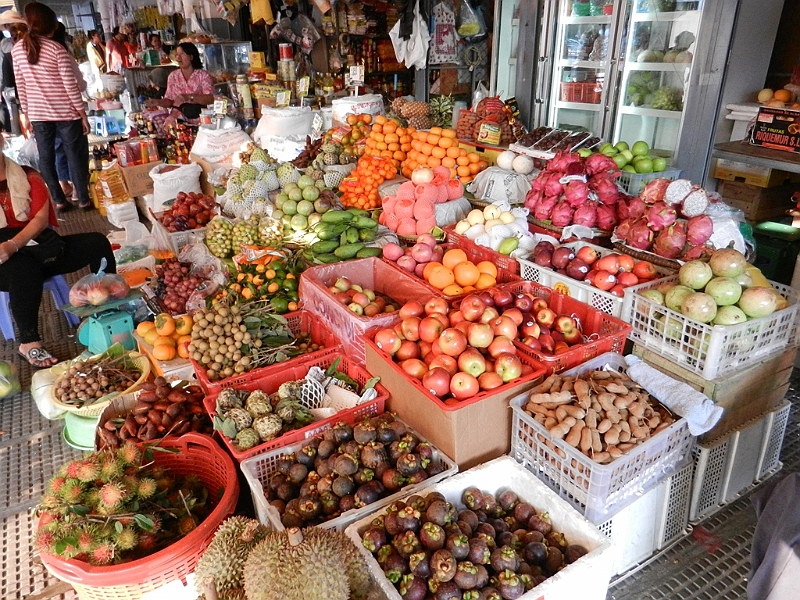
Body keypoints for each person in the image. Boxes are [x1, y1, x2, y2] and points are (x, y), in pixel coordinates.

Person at [0, 139, 115, 367]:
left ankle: (105, 309)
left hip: (37, 249)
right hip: (6, 266)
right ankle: (28, 342)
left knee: (98, 243)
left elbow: (41, 221)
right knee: (24, 269)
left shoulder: (28, 175)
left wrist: (13, 245)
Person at [12, 2, 91, 211]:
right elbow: (70, 86)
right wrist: (82, 113)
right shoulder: (57, 50)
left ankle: (58, 199)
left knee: (46, 157)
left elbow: (21, 85)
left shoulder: (17, 50)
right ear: (50, 25)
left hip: (38, 115)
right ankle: (82, 199)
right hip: (66, 113)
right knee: (74, 155)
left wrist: (27, 114)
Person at [145, 42, 213, 120]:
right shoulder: (173, 76)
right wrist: (158, 102)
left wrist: (188, 97)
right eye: (177, 55)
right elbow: (170, 101)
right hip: (176, 119)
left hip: (200, 118)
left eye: (182, 54)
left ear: (191, 56)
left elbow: (211, 98)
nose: (178, 58)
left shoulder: (203, 75)